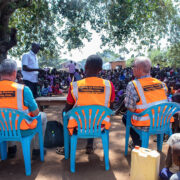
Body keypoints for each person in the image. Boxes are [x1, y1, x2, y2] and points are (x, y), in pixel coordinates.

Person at [56, 55, 115, 154]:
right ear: (100, 69)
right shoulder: (109, 85)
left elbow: (68, 107)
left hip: (80, 125)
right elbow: (111, 107)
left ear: (85, 67)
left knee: (65, 112)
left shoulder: (75, 85)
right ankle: (89, 145)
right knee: (94, 115)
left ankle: (68, 146)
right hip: (100, 124)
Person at [0, 59, 47, 160]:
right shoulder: (23, 90)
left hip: (1, 129)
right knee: (42, 116)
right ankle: (37, 149)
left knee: (5, 119)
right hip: (22, 129)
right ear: (14, 72)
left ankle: (11, 149)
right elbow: (36, 113)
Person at [122, 56, 173, 147]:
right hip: (164, 121)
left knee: (126, 116)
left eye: (133, 66)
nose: (132, 69)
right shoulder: (161, 84)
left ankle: (138, 143)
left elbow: (131, 109)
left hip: (146, 124)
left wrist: (127, 100)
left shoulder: (133, 85)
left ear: (139, 69)